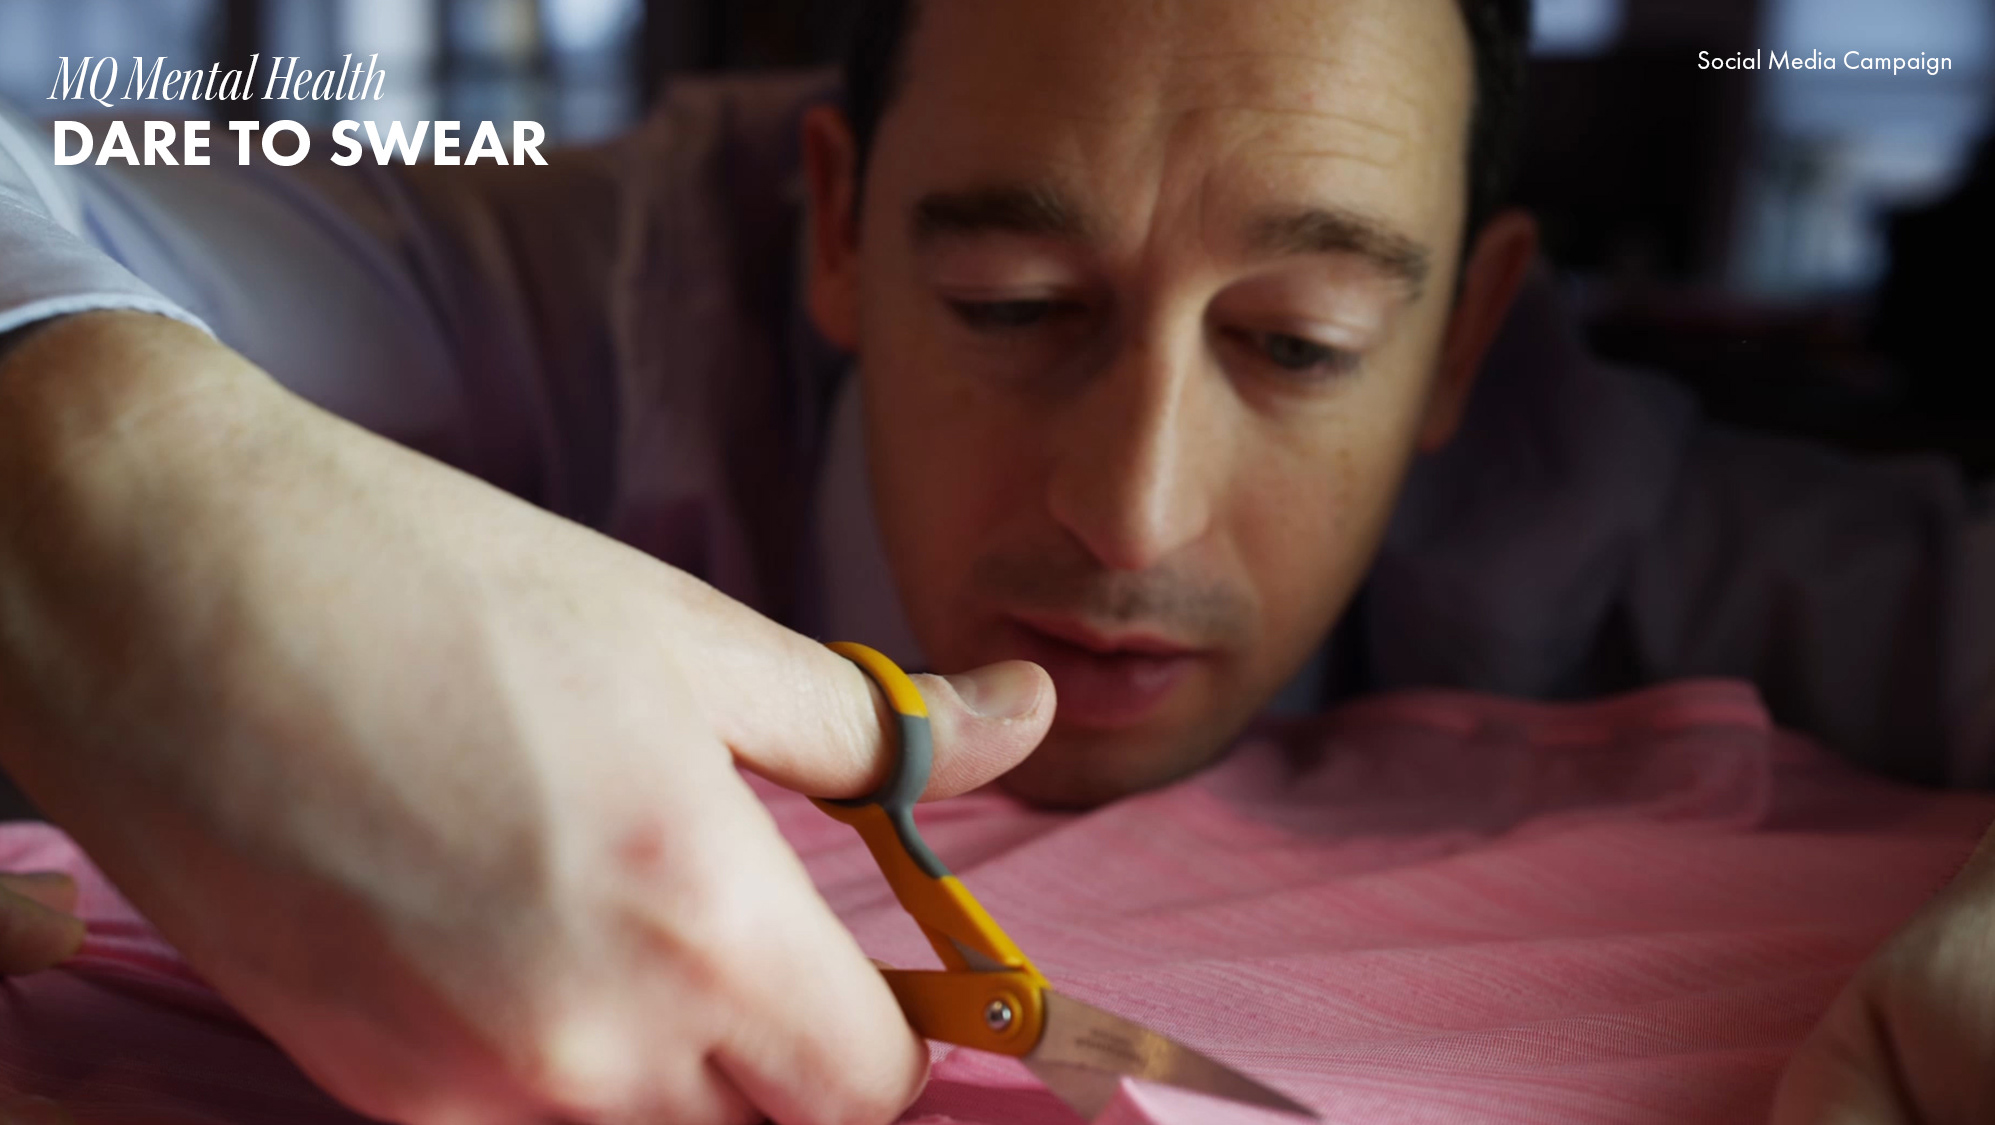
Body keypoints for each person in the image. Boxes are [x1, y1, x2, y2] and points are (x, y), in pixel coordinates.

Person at [0, 0, 1989, 1122]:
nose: (1133, 509)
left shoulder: (1594, 491)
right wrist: (124, 486)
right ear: (835, 224)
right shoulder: (590, 283)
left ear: (1464, 336)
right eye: (1016, 303)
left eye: (1298, 345)